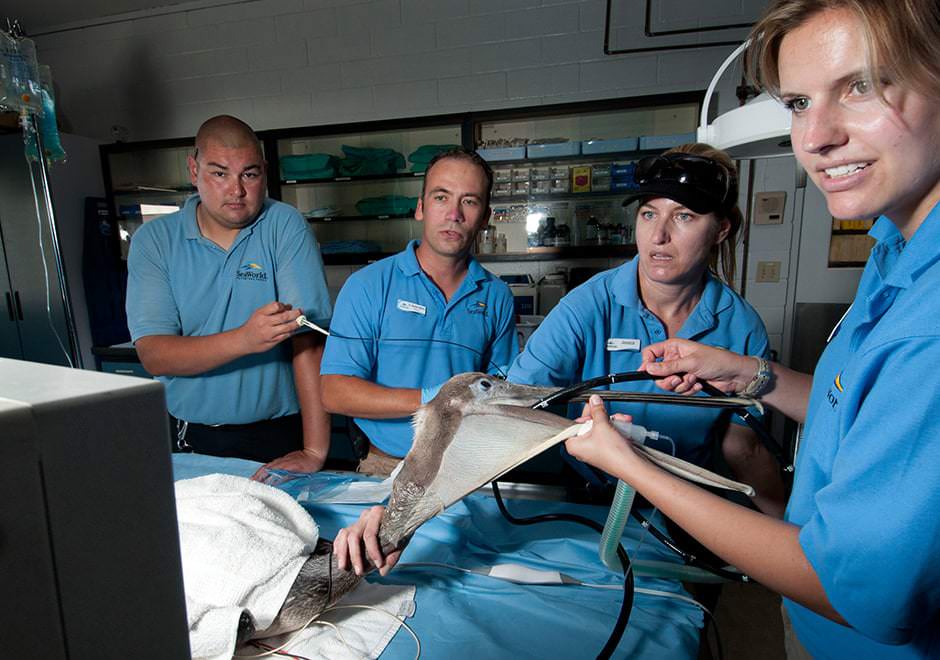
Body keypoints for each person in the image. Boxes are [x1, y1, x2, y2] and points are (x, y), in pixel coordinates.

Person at [567, 2, 940, 658]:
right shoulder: (895, 249)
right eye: (798, 102)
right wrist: (749, 375)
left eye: (860, 86)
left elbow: (848, 584)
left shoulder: (925, 324)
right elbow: (845, 399)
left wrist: (633, 465)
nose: (816, 136)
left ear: (721, 231)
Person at [508, 143, 786, 516]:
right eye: (649, 214)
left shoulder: (740, 326)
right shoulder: (589, 305)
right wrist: (574, 430)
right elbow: (513, 401)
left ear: (720, 229)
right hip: (593, 502)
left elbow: (742, 447)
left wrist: (790, 543)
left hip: (689, 509)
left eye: (684, 216)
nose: (658, 237)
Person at [127, 115, 333, 479]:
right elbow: (155, 355)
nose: (236, 190)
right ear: (194, 170)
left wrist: (314, 449)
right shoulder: (155, 241)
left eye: (249, 174)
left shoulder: (284, 225)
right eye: (219, 173)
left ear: (264, 173)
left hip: (281, 430)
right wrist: (245, 339)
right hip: (194, 434)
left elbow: (308, 341)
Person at [320, 147, 518, 476]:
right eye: (442, 197)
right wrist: (432, 398)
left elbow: (502, 391)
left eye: (469, 201)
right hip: (384, 465)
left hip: (465, 468)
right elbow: (334, 392)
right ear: (421, 208)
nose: (454, 213)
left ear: (484, 217)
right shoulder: (368, 286)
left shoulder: (496, 295)